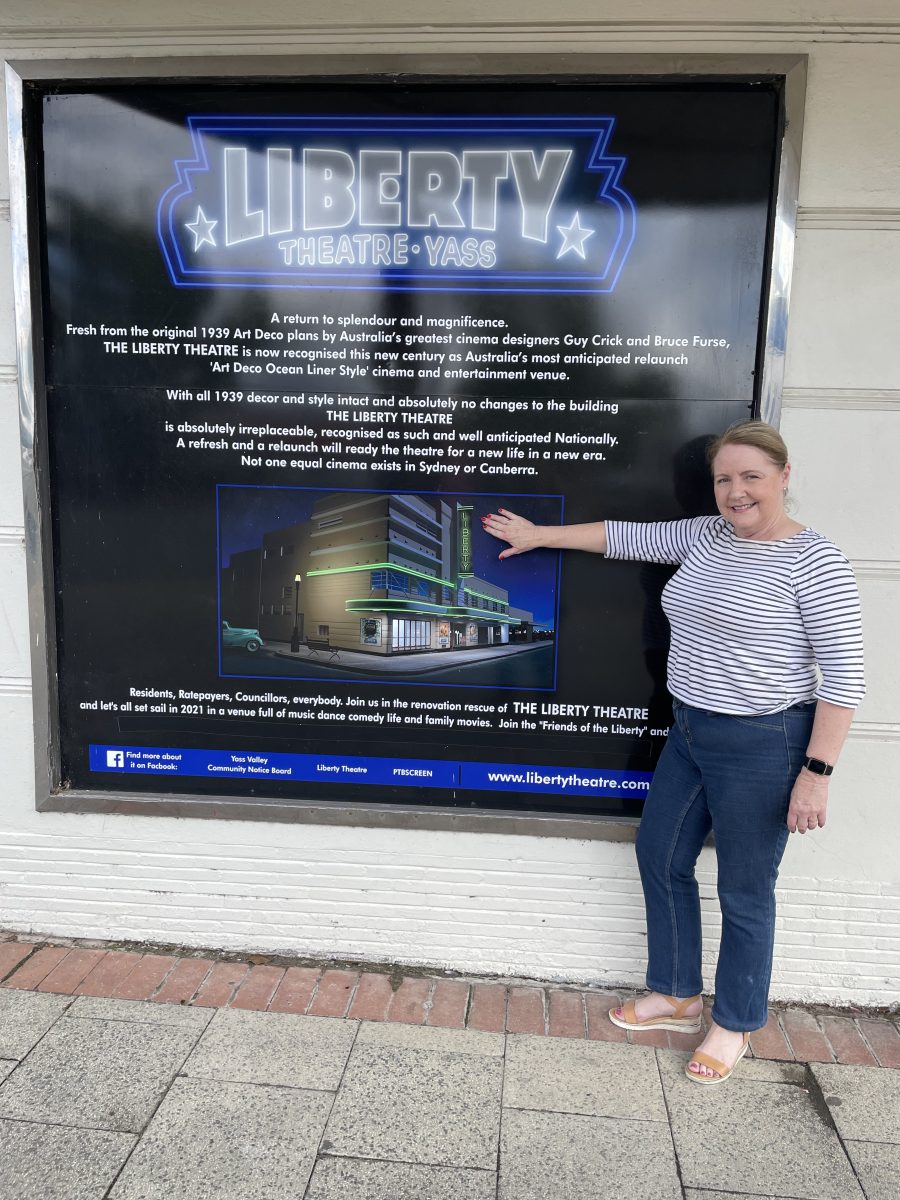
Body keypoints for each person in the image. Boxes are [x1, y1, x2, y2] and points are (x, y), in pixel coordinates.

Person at [481, 420, 865, 1084]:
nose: (736, 492)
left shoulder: (815, 560)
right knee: (660, 854)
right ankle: (677, 993)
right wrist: (538, 535)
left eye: (751, 477)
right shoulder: (707, 536)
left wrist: (817, 774)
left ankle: (734, 1023)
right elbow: (623, 537)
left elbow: (845, 679)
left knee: (746, 891)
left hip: (764, 744)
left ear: (783, 477)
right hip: (688, 733)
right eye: (725, 479)